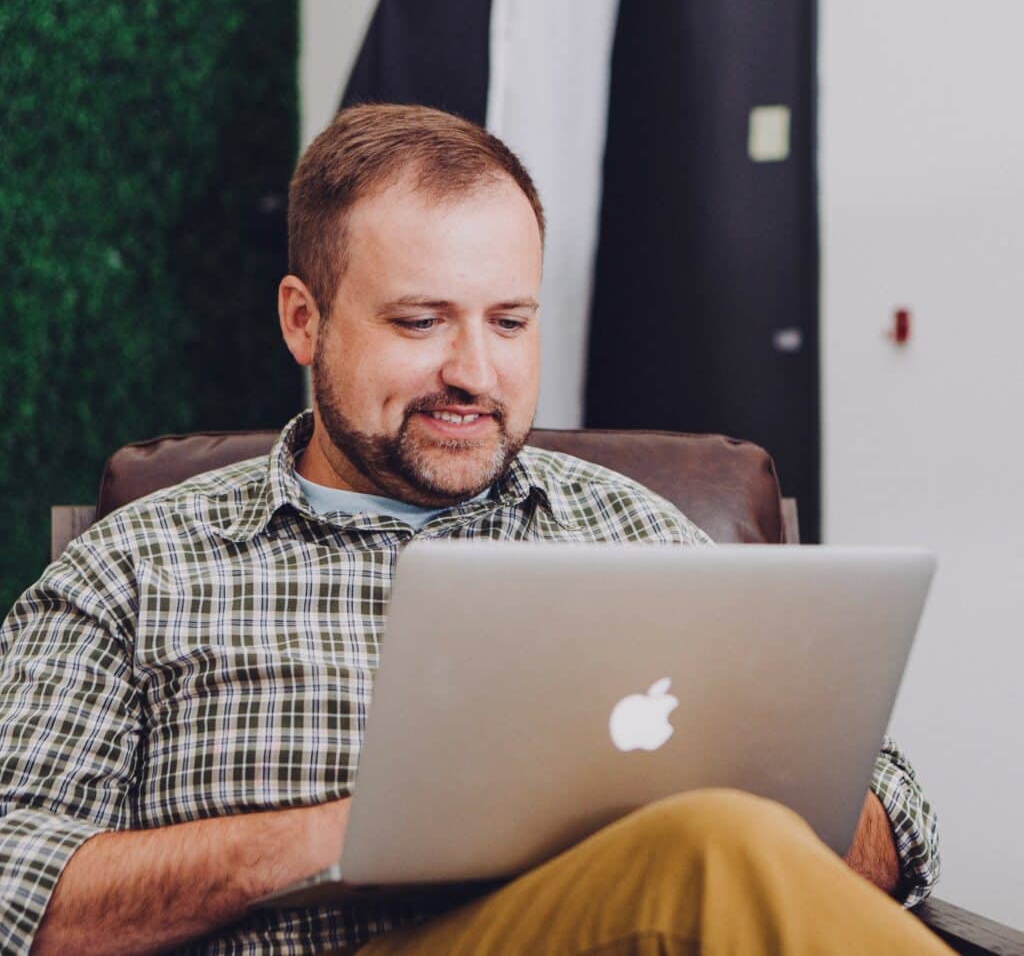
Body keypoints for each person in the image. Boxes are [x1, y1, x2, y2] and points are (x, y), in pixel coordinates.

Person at [0, 104, 948, 956]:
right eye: (421, 321)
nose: (475, 371)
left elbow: (897, 816)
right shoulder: (135, 567)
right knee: (713, 853)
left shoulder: (629, 529)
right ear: (304, 321)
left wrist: (657, 810)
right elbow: (15, 883)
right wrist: (351, 831)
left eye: (509, 321)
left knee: (716, 846)